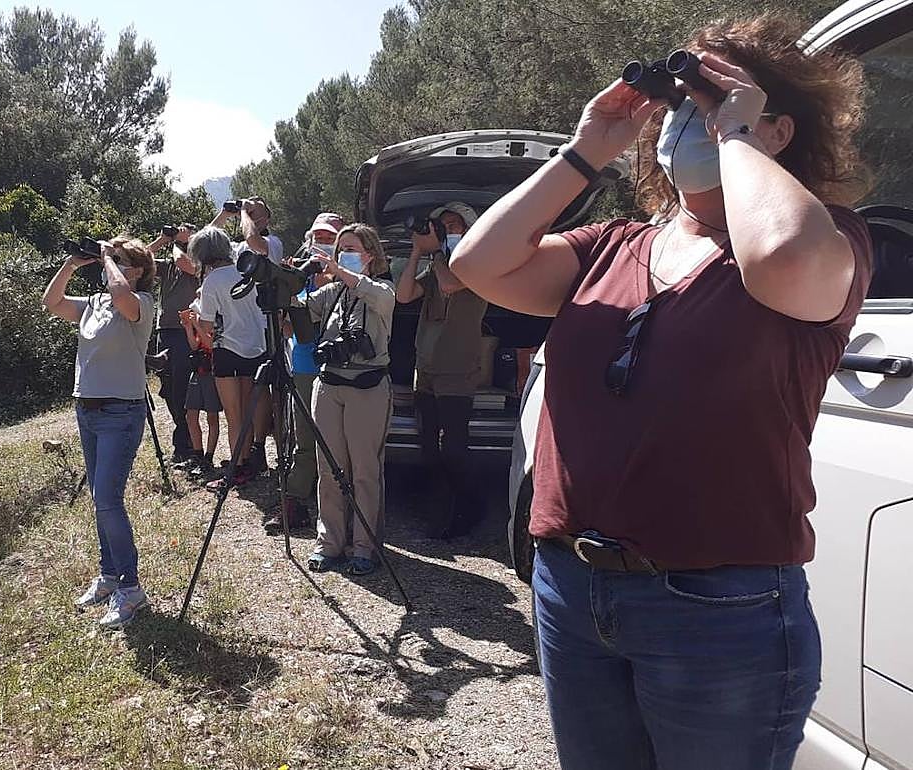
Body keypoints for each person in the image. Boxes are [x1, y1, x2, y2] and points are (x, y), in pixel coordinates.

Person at [449, 17, 872, 770]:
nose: (688, 121)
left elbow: (780, 257)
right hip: (572, 590)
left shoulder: (825, 238)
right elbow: (478, 263)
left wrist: (734, 134)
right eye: (682, 105)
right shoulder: (611, 245)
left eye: (713, 105)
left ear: (778, 131)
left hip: (719, 611)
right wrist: (586, 151)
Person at [42, 235, 159, 630]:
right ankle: (109, 576)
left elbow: (122, 295)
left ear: (139, 270)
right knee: (99, 498)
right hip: (87, 409)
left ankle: (130, 586)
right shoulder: (93, 304)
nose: (113, 263)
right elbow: (52, 302)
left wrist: (110, 258)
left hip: (120, 411)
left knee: (108, 499)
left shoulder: (140, 304)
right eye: (113, 259)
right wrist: (74, 265)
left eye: (124, 260)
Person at [302, 224, 396, 577]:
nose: (342, 256)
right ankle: (330, 543)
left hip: (367, 390)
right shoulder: (333, 294)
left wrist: (338, 269)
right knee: (329, 470)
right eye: (340, 250)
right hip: (329, 387)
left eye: (351, 249)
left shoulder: (383, 290)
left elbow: (381, 297)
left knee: (364, 471)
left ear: (370, 255)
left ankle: (364, 546)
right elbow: (299, 310)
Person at [394, 200, 488, 538]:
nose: (445, 232)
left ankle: (468, 507)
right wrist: (416, 253)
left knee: (454, 447)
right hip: (427, 369)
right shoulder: (436, 267)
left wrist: (434, 253)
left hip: (458, 370)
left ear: (468, 229)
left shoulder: (477, 265)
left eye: (451, 226)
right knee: (429, 445)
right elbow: (404, 296)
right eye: (441, 226)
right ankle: (439, 507)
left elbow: (450, 284)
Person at [272, 212, 344, 532]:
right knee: (303, 439)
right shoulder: (300, 278)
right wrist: (286, 292)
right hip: (304, 366)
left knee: (335, 444)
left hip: (338, 371)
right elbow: (288, 330)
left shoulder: (348, 278)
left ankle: (337, 510)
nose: (322, 244)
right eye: (319, 238)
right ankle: (296, 501)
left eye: (330, 239)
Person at [191, 225, 268, 490]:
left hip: (227, 350)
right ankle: (249, 463)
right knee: (247, 411)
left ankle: (236, 468)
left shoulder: (212, 280)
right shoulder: (248, 270)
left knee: (233, 417)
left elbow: (207, 325)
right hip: (256, 348)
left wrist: (196, 314)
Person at [212, 198, 283, 480]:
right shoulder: (236, 248)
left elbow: (256, 243)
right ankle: (249, 454)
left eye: (256, 212)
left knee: (262, 392)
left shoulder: (273, 243)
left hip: (265, 330)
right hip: (239, 333)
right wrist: (224, 215)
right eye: (248, 212)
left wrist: (244, 213)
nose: (249, 215)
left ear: (267, 218)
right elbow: (210, 245)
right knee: (245, 399)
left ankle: (260, 448)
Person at [145, 224, 199, 467]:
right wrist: (162, 239)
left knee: (182, 388)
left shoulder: (197, 263)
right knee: (168, 388)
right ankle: (183, 441)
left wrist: (179, 244)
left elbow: (184, 263)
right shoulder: (166, 264)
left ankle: (186, 445)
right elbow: (135, 263)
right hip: (165, 331)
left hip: (186, 332)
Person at [179, 292, 222, 478]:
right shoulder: (200, 316)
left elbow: (211, 344)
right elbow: (195, 346)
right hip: (198, 370)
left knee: (212, 417)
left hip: (213, 372)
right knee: (191, 414)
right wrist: (189, 327)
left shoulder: (215, 316)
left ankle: (208, 457)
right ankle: (197, 454)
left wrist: (196, 323)